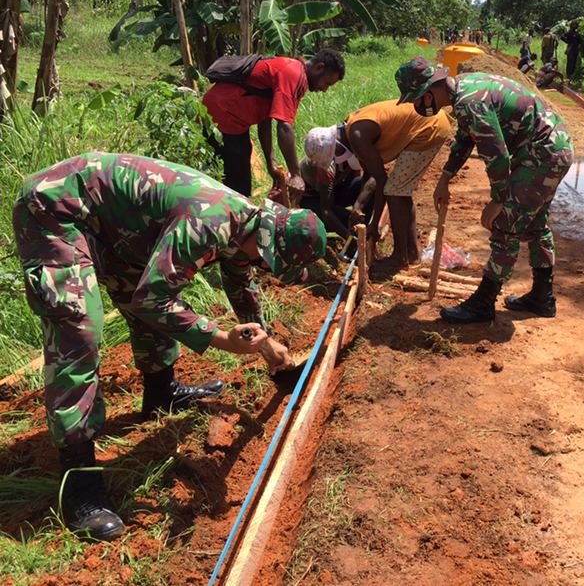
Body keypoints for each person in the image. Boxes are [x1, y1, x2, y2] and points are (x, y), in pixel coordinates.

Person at [13, 153, 327, 541]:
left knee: (147, 297)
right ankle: (79, 484)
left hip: (114, 226)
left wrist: (268, 347)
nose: (262, 268)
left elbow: (241, 286)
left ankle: (161, 394)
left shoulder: (246, 228)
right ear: (265, 245)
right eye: (268, 263)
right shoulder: (210, 223)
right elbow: (154, 300)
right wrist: (223, 340)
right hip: (57, 209)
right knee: (79, 329)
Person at [395, 59, 575, 324]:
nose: (418, 106)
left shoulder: (470, 102)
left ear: (430, 91)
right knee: (535, 224)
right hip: (550, 147)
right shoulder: (465, 89)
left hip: (542, 154)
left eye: (418, 99)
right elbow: (465, 138)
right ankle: (542, 297)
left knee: (505, 224)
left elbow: (498, 156)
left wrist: (498, 199)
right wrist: (445, 177)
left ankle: (483, 304)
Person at [331, 90, 454, 270]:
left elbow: (381, 181)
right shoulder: (352, 127)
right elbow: (371, 175)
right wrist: (358, 206)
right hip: (431, 121)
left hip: (428, 128)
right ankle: (412, 253)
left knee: (395, 192)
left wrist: (373, 223)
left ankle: (399, 257)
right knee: (400, 191)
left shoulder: (358, 136)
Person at [202, 50, 345, 197]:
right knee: (238, 189)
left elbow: (265, 120)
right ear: (318, 68)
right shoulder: (294, 74)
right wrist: (296, 175)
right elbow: (284, 126)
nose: (324, 89)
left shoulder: (295, 71)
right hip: (223, 115)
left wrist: (271, 163)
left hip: (226, 117)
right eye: (327, 83)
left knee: (232, 181)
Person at [300, 132, 372, 245]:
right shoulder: (326, 166)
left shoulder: (353, 153)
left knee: (369, 188)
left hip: (332, 191)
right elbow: (326, 211)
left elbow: (363, 185)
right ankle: (356, 241)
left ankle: (368, 236)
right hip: (310, 200)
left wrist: (358, 211)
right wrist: (348, 237)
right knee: (347, 221)